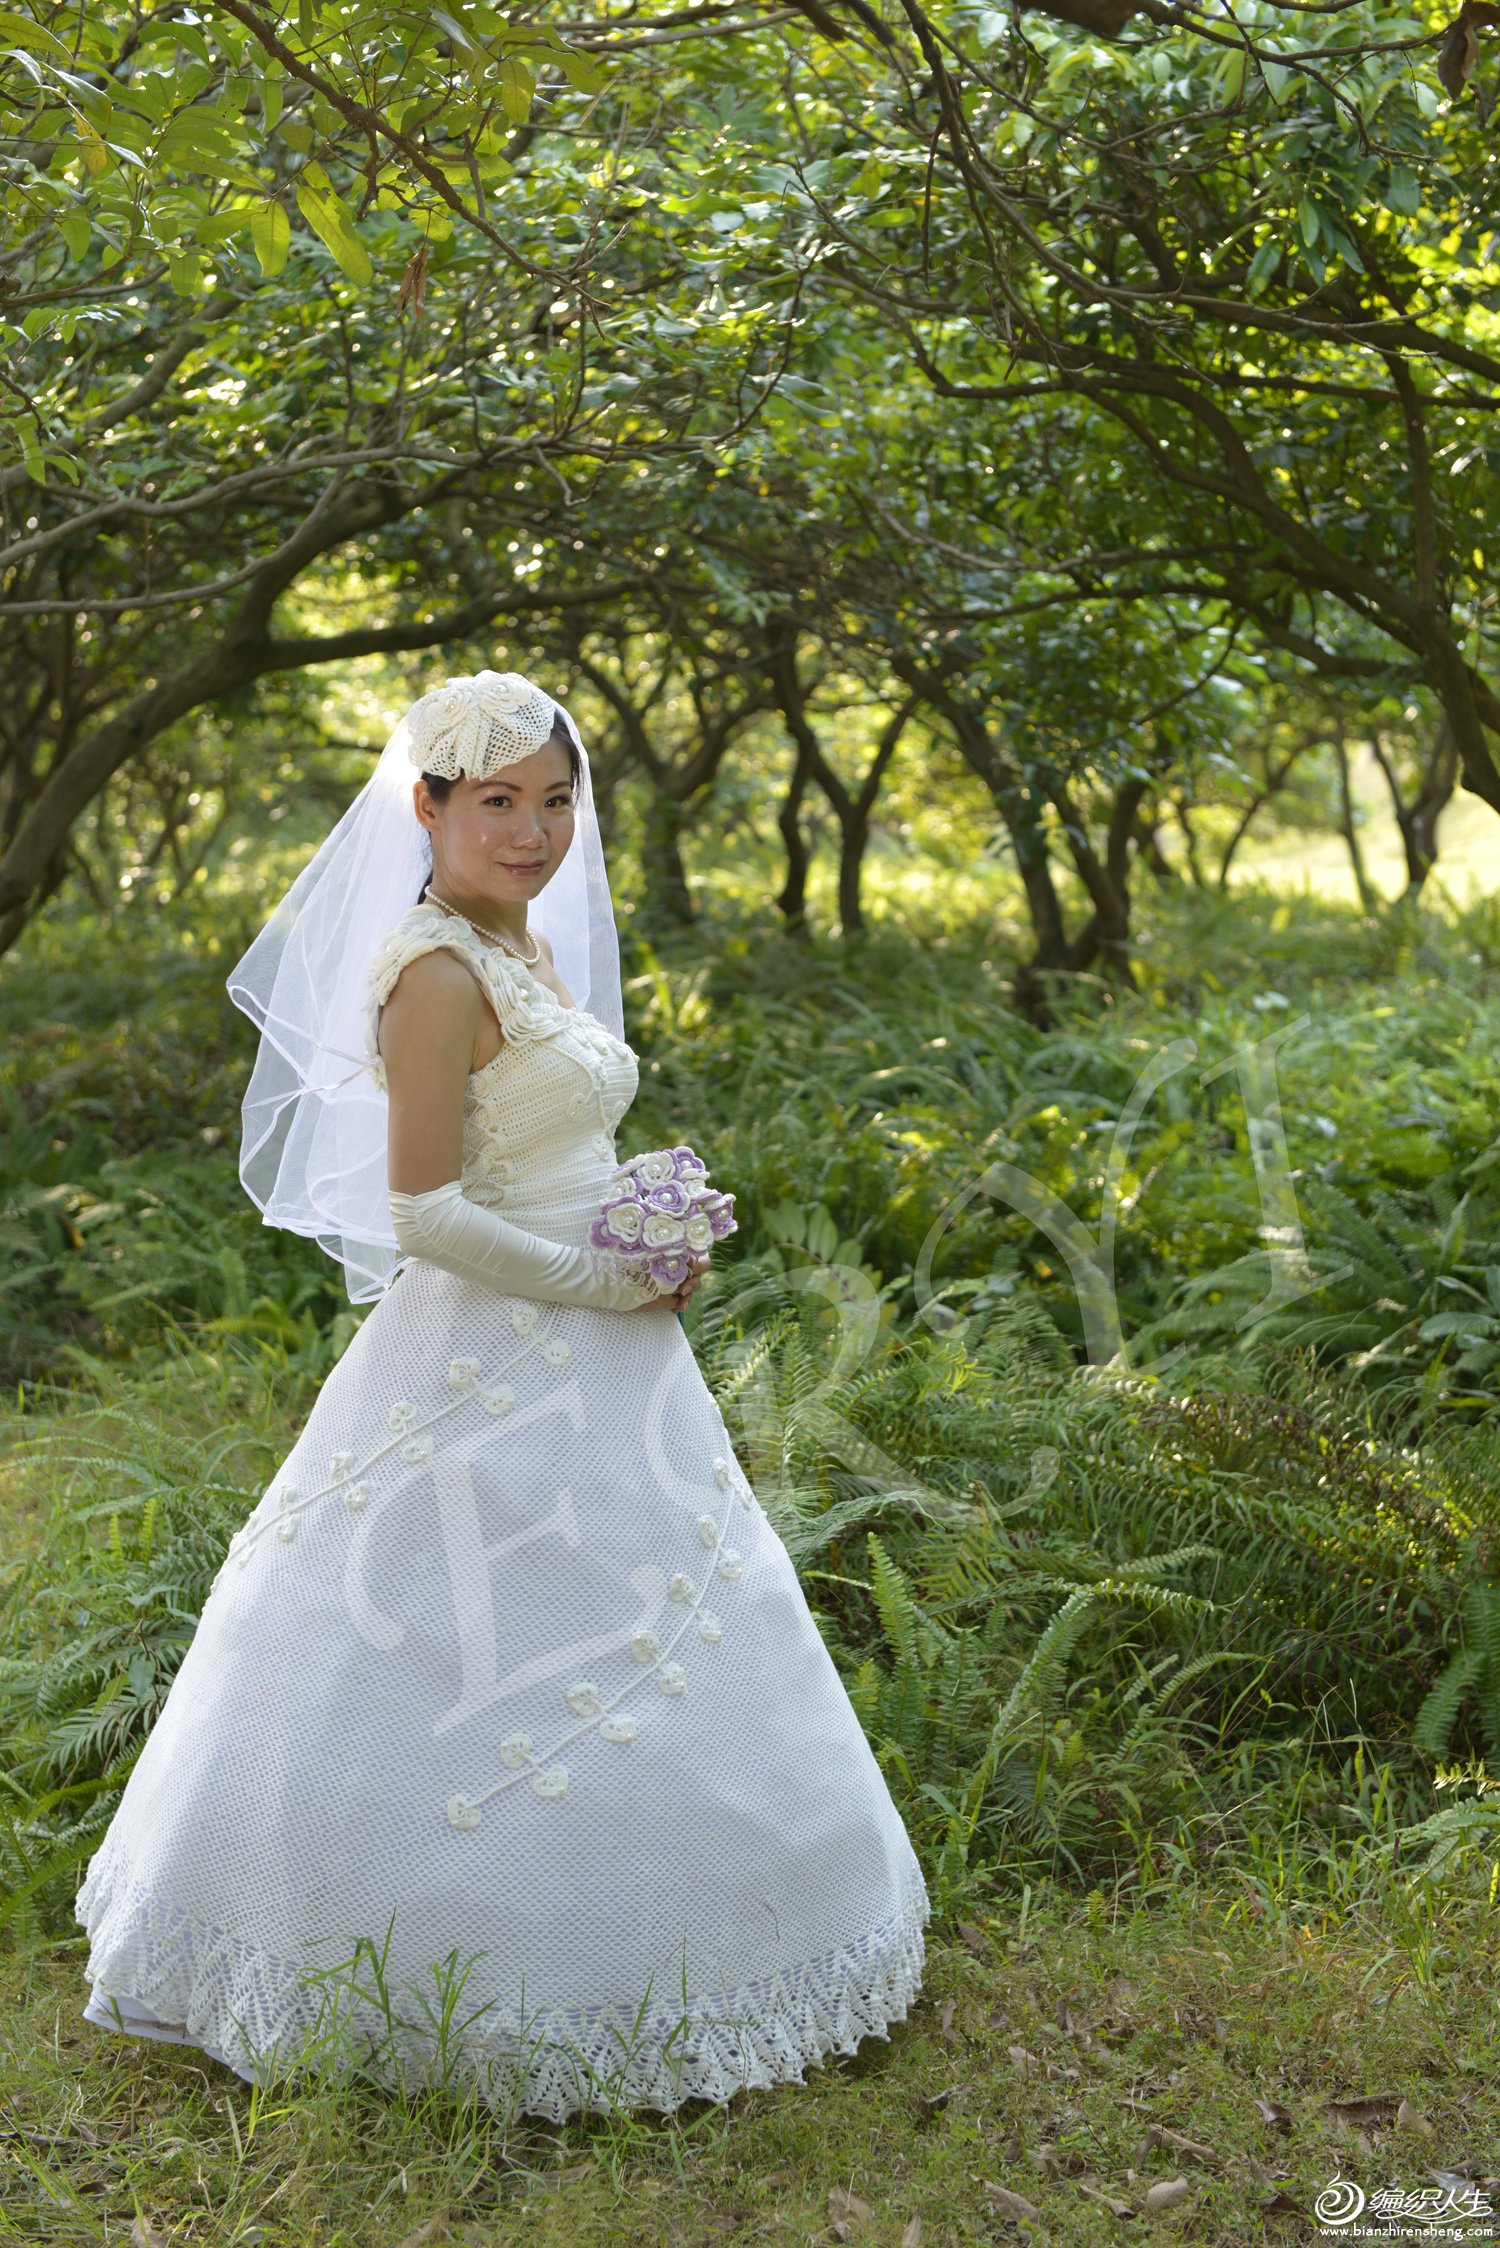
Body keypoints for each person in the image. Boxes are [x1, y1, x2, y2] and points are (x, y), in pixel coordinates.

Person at [73, 669, 928, 2120]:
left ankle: (698, 1936)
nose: (531, 833)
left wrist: (655, 1226)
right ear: (427, 807)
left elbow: (562, 1130)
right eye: (496, 805)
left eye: (554, 803)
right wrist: (603, 1280)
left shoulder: (520, 938)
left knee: (670, 1629)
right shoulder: (436, 973)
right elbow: (426, 1212)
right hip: (493, 1340)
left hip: (612, 1338)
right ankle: (417, 1977)